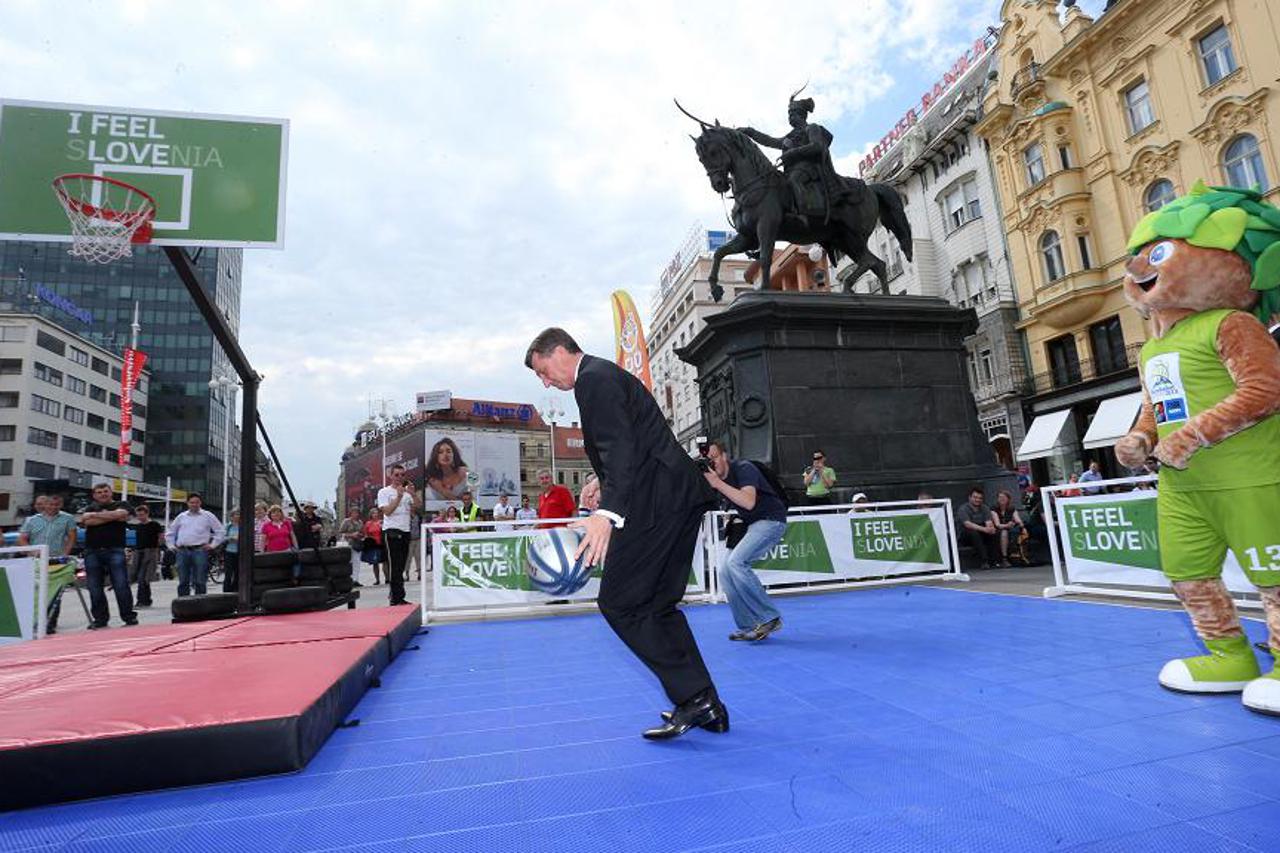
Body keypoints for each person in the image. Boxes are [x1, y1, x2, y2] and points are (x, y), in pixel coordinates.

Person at [526, 327, 725, 740]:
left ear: (560, 351)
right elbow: (635, 442)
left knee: (620, 604)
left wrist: (606, 514)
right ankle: (703, 703)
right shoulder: (604, 375)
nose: (545, 382)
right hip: (676, 496)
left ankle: (694, 697)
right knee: (657, 606)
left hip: (657, 504)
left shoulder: (592, 380)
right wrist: (601, 483)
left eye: (542, 371)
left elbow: (620, 448)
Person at [703, 440, 786, 641]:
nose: (712, 463)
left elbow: (748, 502)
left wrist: (717, 484)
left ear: (724, 456)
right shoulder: (719, 480)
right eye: (707, 461)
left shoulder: (743, 468)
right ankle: (749, 624)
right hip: (753, 524)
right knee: (725, 571)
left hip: (771, 520)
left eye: (714, 458)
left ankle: (769, 617)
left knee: (736, 562)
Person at [79, 482, 136, 628]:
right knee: (94, 587)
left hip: (115, 549)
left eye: (105, 491)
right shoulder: (90, 507)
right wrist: (112, 516)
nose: (103, 494)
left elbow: (122, 515)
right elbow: (88, 522)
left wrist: (94, 515)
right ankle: (100, 619)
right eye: (99, 492)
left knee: (121, 584)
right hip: (92, 551)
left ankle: (128, 617)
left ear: (111, 492)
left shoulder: (122, 504)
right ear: (94, 495)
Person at [20, 494, 78, 633]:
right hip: (36, 560)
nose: (53, 507)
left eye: (57, 505)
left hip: (55, 560)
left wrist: (65, 554)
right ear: (45, 505)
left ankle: (50, 623)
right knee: (35, 591)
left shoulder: (68, 519)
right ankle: (32, 621)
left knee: (55, 592)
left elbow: (72, 537)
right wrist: (31, 552)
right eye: (50, 504)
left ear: (61, 505)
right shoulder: (31, 520)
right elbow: (22, 538)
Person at [164, 493, 225, 597]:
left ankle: (199, 603)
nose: (194, 504)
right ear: (187, 503)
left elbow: (220, 531)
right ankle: (183, 603)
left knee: (200, 581)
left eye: (197, 502)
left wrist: (212, 545)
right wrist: (171, 546)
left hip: (200, 551)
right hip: (182, 551)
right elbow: (170, 532)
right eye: (192, 502)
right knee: (183, 581)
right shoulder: (181, 516)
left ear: (200, 503)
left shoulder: (208, 516)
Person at [378, 463, 418, 605]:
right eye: (396, 475)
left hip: (405, 531)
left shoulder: (407, 493)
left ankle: (398, 596)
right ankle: (396, 597)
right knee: (394, 565)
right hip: (392, 532)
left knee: (401, 565)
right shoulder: (384, 492)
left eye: (402, 475)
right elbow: (387, 511)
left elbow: (416, 508)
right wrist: (399, 497)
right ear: (391, 476)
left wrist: (413, 494)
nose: (399, 477)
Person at [128, 504, 164, 607]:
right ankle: (146, 600)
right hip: (138, 552)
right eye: (138, 515)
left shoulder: (155, 525)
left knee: (143, 577)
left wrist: (157, 549)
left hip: (150, 552)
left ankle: (142, 600)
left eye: (142, 515)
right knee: (140, 577)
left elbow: (161, 538)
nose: (140, 517)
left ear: (147, 514)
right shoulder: (138, 527)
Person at [957, 485, 997, 570]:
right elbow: (967, 524)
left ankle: (994, 561)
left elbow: (988, 522)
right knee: (973, 532)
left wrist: (990, 528)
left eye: (980, 498)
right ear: (969, 497)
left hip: (981, 532)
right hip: (965, 535)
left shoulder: (985, 508)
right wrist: (984, 529)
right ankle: (984, 561)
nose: (978, 500)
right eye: (975, 497)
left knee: (993, 533)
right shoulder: (963, 509)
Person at [990, 490, 1026, 568]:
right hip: (997, 530)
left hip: (1009, 529)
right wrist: (1007, 525)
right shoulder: (994, 509)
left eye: (1004, 497)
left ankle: (1016, 556)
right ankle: (1004, 558)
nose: (1001, 499)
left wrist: (1018, 524)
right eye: (1000, 497)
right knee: (1004, 532)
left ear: (1008, 499)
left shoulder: (1012, 509)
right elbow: (997, 524)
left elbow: (1018, 520)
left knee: (1014, 531)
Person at [337, 507, 365, 584]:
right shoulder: (346, 521)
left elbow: (363, 533)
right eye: (354, 512)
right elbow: (340, 533)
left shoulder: (360, 522)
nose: (356, 514)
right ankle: (348, 579)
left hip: (357, 544)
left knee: (357, 562)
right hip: (348, 544)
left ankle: (355, 579)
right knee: (349, 561)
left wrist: (360, 535)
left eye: (357, 513)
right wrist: (351, 535)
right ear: (351, 513)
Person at [360, 508, 384, 585]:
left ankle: (387, 578)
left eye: (376, 513)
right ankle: (377, 579)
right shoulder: (368, 523)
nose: (375, 515)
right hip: (373, 544)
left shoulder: (381, 522)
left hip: (382, 543)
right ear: (371, 515)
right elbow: (365, 534)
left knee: (385, 561)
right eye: (373, 513)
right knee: (375, 562)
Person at [222, 510, 241, 593]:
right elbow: (222, 537)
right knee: (228, 573)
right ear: (231, 517)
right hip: (229, 552)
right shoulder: (228, 526)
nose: (237, 516)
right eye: (235, 515)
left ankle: (235, 590)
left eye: (238, 514)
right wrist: (229, 538)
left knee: (238, 572)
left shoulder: (243, 526)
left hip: (240, 552)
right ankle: (226, 591)